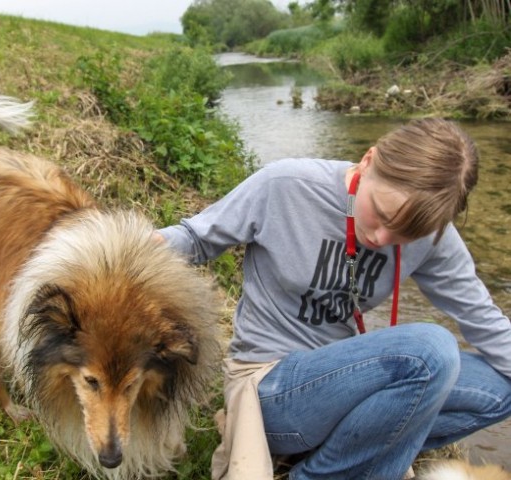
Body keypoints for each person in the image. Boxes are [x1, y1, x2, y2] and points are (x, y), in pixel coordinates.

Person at [155, 118, 511, 480]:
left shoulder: (433, 234)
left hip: (349, 387)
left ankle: (339, 463)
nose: (382, 237)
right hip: (271, 386)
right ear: (368, 160)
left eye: (406, 233)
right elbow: (196, 239)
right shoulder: (287, 186)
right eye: (382, 214)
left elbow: (482, 319)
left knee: (502, 389)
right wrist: (126, 246)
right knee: (432, 350)